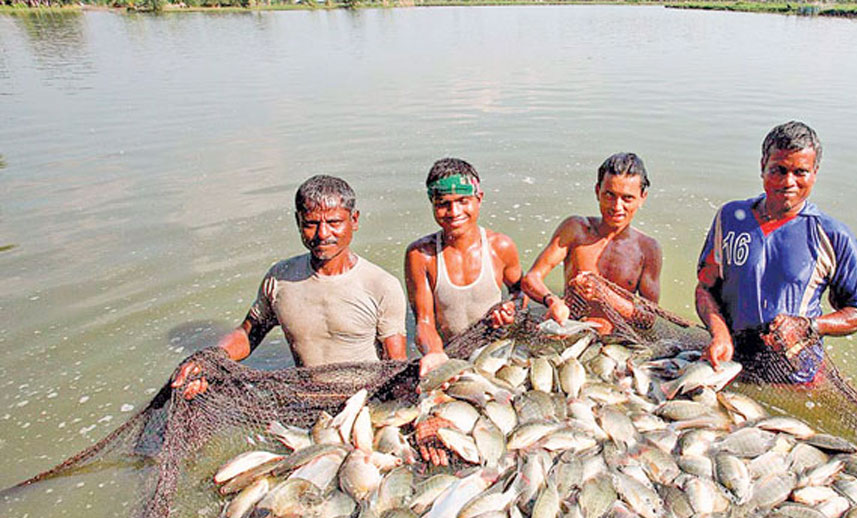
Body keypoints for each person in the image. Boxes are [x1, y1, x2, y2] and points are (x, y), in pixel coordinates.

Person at [171, 175, 408, 398]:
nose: (323, 233)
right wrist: (211, 359)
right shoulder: (280, 278)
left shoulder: (381, 285)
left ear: (353, 220)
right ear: (298, 221)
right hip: (305, 398)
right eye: (311, 224)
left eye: (334, 222)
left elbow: (396, 363)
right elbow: (248, 334)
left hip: (364, 399)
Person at [695, 121, 857, 384]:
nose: (788, 182)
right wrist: (720, 333)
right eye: (778, 170)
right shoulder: (730, 218)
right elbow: (705, 288)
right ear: (762, 167)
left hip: (794, 374)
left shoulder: (833, 236)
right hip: (728, 361)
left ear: (815, 172)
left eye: (800, 172)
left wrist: (810, 326)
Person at [405, 158, 522, 467]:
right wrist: (434, 353)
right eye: (444, 204)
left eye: (463, 201)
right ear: (432, 204)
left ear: (479, 199)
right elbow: (424, 321)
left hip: (495, 354)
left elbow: (520, 293)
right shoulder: (421, 255)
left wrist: (512, 309)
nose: (455, 213)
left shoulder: (501, 247)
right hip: (449, 360)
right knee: (438, 437)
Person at [522, 152, 663, 333]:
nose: (616, 206)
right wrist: (551, 300)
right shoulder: (576, 229)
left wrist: (605, 295)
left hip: (614, 340)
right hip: (569, 331)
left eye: (627, 198)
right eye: (609, 195)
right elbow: (531, 279)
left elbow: (648, 319)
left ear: (642, 197)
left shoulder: (648, 249)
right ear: (597, 191)